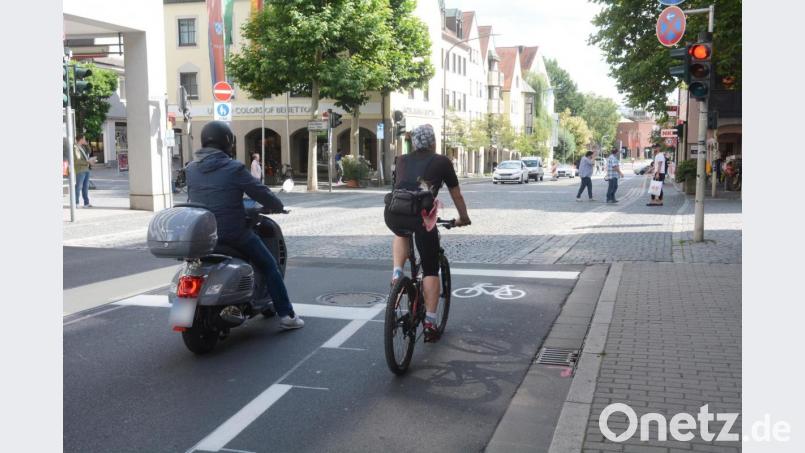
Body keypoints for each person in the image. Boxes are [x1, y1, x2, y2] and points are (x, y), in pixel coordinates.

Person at [185, 121, 304, 330]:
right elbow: (260, 192)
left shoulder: (191, 169)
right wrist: (277, 206)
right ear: (227, 142)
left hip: (202, 236)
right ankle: (287, 315)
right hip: (233, 234)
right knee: (270, 266)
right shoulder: (234, 168)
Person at [384, 124, 471, 343]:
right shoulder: (442, 162)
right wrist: (463, 218)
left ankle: (397, 273)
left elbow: (399, 186)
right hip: (422, 218)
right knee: (431, 269)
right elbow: (457, 195)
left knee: (401, 232)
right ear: (433, 142)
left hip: (394, 213)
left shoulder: (401, 160)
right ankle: (431, 322)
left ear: (414, 143)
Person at [74, 135, 96, 208]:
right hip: (80, 170)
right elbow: (77, 161)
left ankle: (86, 203)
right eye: (84, 139)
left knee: (85, 187)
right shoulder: (75, 148)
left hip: (86, 169)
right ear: (81, 139)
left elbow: (89, 151)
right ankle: (76, 203)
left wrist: (87, 144)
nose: (85, 140)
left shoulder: (82, 147)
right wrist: (88, 162)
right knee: (78, 186)